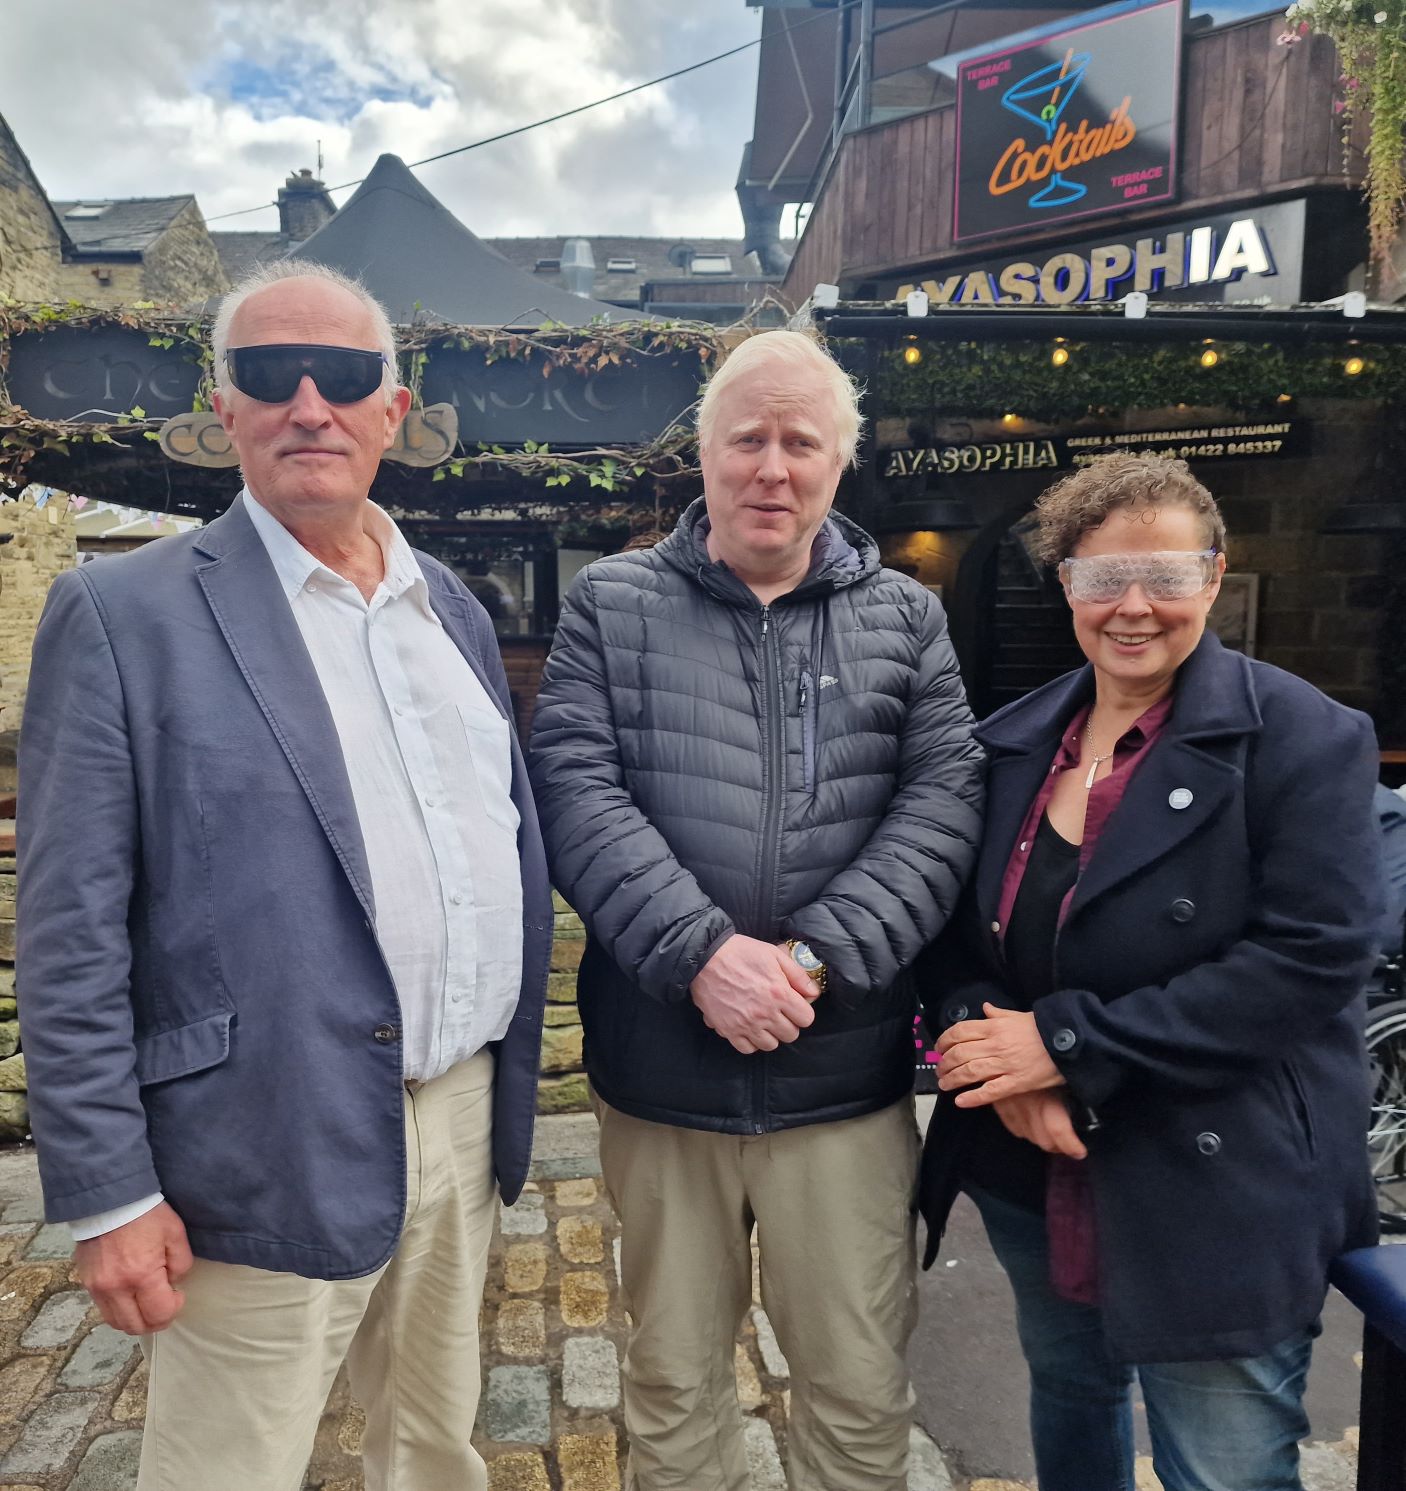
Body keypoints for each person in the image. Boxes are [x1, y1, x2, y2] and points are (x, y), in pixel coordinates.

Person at [17, 261, 551, 1491]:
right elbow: (68, 931)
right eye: (269, 373)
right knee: (229, 1469)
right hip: (256, 1137)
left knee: (433, 1450)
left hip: (458, 1116)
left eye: (344, 376)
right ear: (225, 407)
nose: (309, 404)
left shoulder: (451, 610)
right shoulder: (119, 614)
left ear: (391, 409)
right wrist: (108, 1195)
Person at [529, 329, 984, 1491]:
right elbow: (574, 790)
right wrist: (700, 956)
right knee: (673, 1378)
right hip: (661, 1071)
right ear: (703, 453)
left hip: (841, 1078)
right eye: (746, 439)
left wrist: (809, 964)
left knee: (856, 1381)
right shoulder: (611, 605)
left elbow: (941, 805)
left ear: (839, 460)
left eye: (799, 442)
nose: (770, 467)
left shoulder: (906, 618)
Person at [921, 454, 1384, 1491]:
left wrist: (1062, 1047)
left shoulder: (1301, 738)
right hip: (1034, 1161)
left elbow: (1311, 957)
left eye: (1166, 576)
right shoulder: (1009, 743)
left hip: (1214, 1176)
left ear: (1213, 577)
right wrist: (991, 1056)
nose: (1133, 606)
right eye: (1101, 577)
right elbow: (952, 946)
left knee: (1220, 1466)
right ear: (1066, 585)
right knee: (1070, 1391)